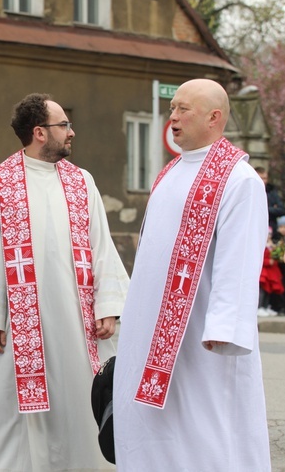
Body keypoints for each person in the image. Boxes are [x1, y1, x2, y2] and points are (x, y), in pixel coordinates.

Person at [113, 79, 271, 470]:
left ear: (215, 117)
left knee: (204, 427)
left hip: (203, 336)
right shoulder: (169, 173)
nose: (173, 117)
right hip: (150, 328)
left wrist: (224, 327)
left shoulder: (239, 180)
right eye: (172, 109)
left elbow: (240, 259)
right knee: (151, 425)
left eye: (184, 109)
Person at [0, 93, 129, 471]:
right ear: (40, 133)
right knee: (12, 413)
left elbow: (101, 244)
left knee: (78, 402)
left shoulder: (82, 182)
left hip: (76, 322)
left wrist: (108, 305)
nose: (71, 132)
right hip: (20, 325)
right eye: (64, 125)